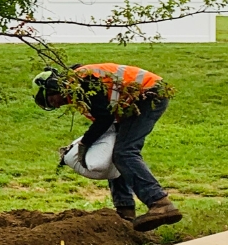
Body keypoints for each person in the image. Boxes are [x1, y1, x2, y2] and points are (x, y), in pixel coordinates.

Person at [33, 62, 182, 232]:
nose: (56, 105)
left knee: (125, 152)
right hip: (136, 99)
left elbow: (104, 118)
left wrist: (85, 143)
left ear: (53, 87)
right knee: (115, 152)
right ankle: (125, 210)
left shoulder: (82, 81)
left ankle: (160, 202)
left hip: (148, 95)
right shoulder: (78, 86)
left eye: (52, 100)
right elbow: (106, 116)